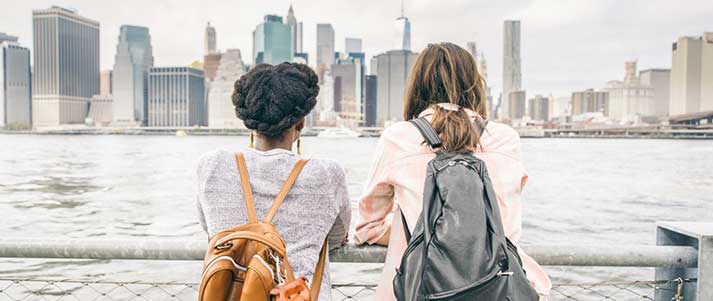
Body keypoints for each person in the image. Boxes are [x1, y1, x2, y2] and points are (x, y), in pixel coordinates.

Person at [354, 42, 552, 300]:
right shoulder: (506, 139)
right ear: (474, 85)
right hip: (503, 288)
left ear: (417, 88)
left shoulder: (398, 138)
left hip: (428, 292)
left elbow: (367, 228)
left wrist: (423, 229)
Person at [196, 62, 351, 301]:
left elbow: (211, 229)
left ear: (249, 121)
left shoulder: (211, 166)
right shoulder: (328, 174)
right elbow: (337, 236)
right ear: (300, 122)